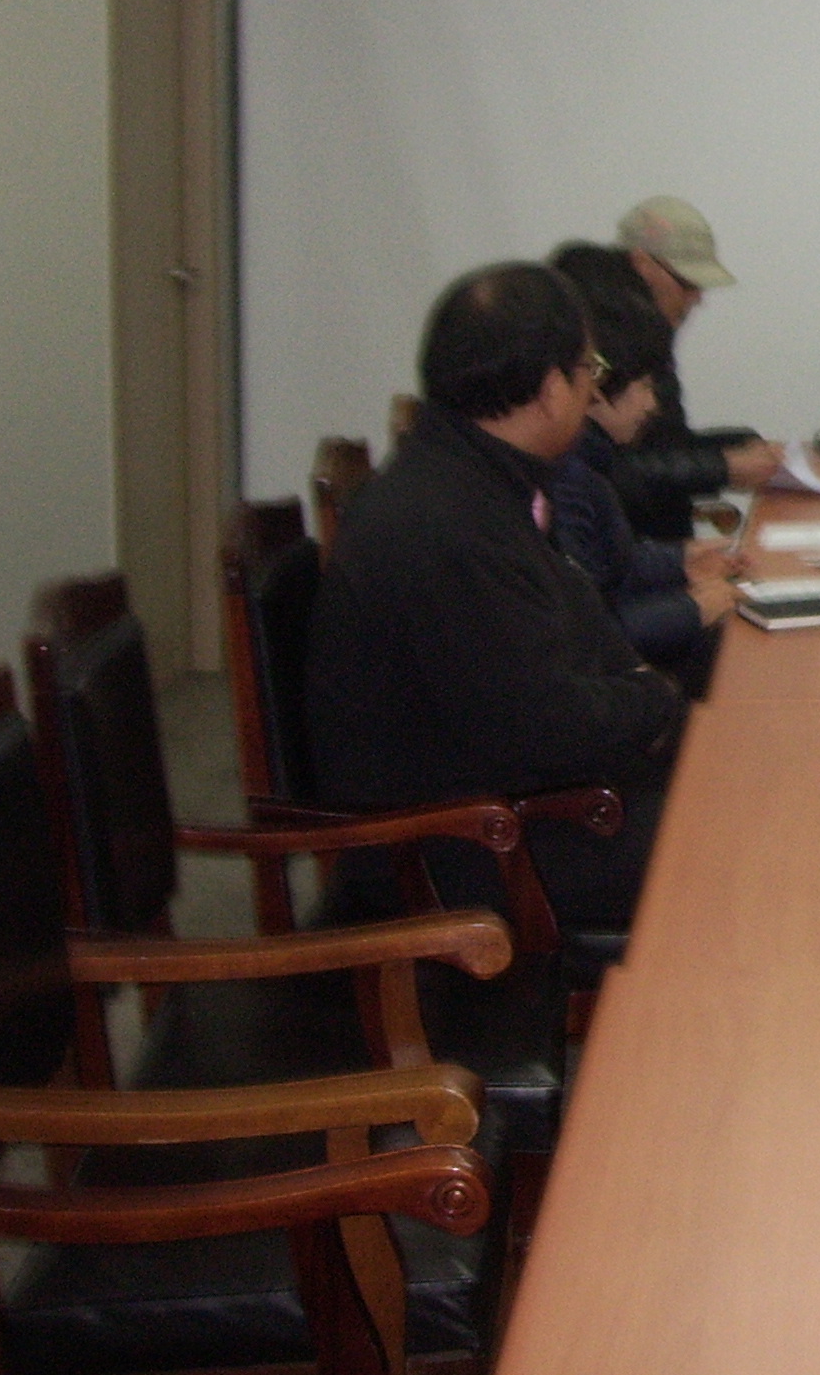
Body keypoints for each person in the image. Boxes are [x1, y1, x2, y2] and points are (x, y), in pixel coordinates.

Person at [308, 261, 684, 928]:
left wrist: (644, 696)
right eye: (589, 369)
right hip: (455, 850)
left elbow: (577, 633)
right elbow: (548, 729)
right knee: (733, 834)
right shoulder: (446, 526)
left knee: (730, 781)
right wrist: (656, 700)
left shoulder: (469, 478)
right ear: (551, 390)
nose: (592, 387)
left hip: (501, 805)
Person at [549, 267, 739, 700]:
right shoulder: (566, 480)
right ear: (598, 387)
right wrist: (692, 609)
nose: (653, 405)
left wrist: (681, 561)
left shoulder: (590, 463)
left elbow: (613, 563)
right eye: (645, 386)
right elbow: (589, 638)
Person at [590, 199, 785, 539]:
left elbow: (663, 446)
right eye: (688, 283)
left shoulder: (648, 335)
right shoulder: (596, 342)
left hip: (663, 551)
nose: (697, 298)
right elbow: (606, 473)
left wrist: (738, 445)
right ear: (642, 264)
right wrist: (722, 467)